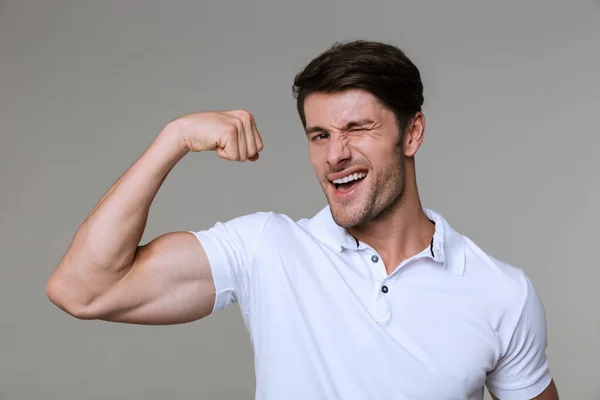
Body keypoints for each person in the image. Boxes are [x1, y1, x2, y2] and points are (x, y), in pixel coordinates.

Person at [46, 40, 559, 399]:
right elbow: (83, 289)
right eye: (319, 135)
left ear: (411, 133)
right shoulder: (267, 248)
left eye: (357, 128)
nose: (336, 155)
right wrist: (173, 138)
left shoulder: (501, 293)